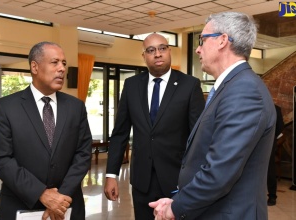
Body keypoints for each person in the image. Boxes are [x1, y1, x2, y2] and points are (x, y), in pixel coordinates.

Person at [149, 11, 276, 220]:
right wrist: (178, 199)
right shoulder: (231, 87)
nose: (198, 49)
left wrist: (175, 207)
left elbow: (220, 171)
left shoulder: (244, 91)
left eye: (202, 40)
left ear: (222, 41)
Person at [104, 33, 205, 219]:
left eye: (162, 48)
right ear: (144, 56)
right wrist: (111, 174)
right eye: (151, 50)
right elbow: (120, 134)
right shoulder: (131, 85)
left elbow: (198, 137)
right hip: (142, 182)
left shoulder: (189, 85)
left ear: (169, 51)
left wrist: (196, 180)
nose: (157, 54)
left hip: (177, 181)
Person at [0, 41, 92, 220]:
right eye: (55, 62)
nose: (62, 69)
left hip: (67, 206)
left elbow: (83, 154)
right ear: (34, 67)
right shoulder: (6, 107)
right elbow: (1, 159)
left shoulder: (76, 107)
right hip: (20, 206)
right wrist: (42, 193)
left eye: (64, 63)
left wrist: (60, 198)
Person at [267, 104, 284, 206]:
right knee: (270, 168)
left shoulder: (276, 108)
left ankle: (272, 196)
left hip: (266, 141)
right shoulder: (275, 108)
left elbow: (279, 127)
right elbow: (280, 127)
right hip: (269, 140)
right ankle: (272, 197)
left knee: (270, 169)